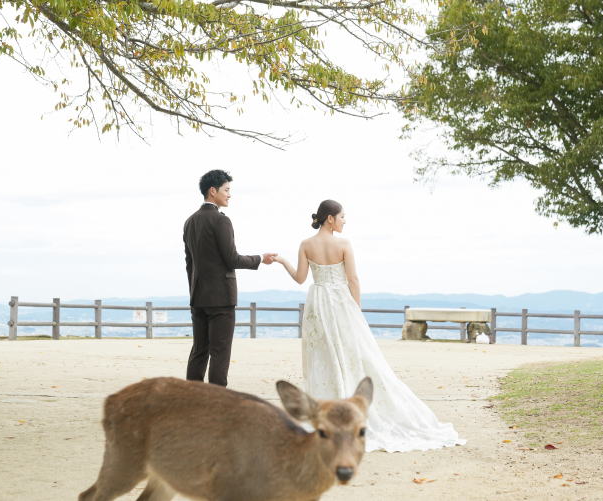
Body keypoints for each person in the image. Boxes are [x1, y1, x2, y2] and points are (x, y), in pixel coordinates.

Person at [271, 199, 465, 452]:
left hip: (318, 303)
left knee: (323, 357)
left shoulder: (306, 244)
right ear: (330, 218)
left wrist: (282, 261)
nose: (344, 220)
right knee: (354, 354)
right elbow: (353, 279)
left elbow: (299, 278)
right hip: (341, 302)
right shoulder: (343, 244)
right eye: (342, 216)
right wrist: (357, 310)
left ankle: (328, 413)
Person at [183, 169, 276, 387]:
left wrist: (194, 291)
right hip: (221, 298)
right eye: (226, 190)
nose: (229, 195)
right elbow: (232, 259)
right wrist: (260, 258)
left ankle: (190, 398)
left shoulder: (190, 222)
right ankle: (217, 401)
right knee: (220, 352)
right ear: (212, 191)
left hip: (198, 296)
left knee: (199, 350)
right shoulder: (220, 221)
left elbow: (190, 264)